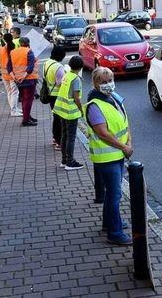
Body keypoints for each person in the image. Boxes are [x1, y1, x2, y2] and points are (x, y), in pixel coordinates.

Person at [84, 67, 134, 245]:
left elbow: (125, 122)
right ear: (95, 83)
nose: (108, 84)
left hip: (117, 154)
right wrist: (124, 147)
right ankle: (115, 233)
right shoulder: (95, 106)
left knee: (112, 194)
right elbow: (103, 133)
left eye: (110, 80)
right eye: (103, 82)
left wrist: (129, 143)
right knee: (114, 195)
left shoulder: (113, 98)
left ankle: (109, 223)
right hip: (107, 158)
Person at [53, 55, 85, 170]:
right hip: (71, 112)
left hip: (62, 110)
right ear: (81, 67)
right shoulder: (76, 79)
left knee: (64, 135)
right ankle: (70, 162)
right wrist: (81, 110)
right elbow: (77, 98)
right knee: (71, 137)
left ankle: (64, 160)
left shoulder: (67, 75)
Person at [8, 37, 38, 126]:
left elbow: (8, 66)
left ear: (20, 43)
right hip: (28, 80)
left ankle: (27, 116)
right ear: (28, 43)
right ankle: (26, 120)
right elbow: (30, 67)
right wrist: (23, 77)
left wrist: (14, 77)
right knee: (28, 100)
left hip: (17, 80)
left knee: (24, 99)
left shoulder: (13, 52)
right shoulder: (29, 51)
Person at [44, 46, 66, 150]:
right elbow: (60, 83)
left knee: (56, 118)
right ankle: (59, 141)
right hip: (58, 95)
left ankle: (55, 138)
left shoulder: (47, 62)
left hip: (50, 93)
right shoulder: (58, 66)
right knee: (59, 119)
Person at [0, 33, 21, 117]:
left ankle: (13, 108)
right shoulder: (14, 49)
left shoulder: (0, 49)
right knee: (15, 92)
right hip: (12, 74)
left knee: (9, 92)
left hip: (4, 74)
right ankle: (14, 110)